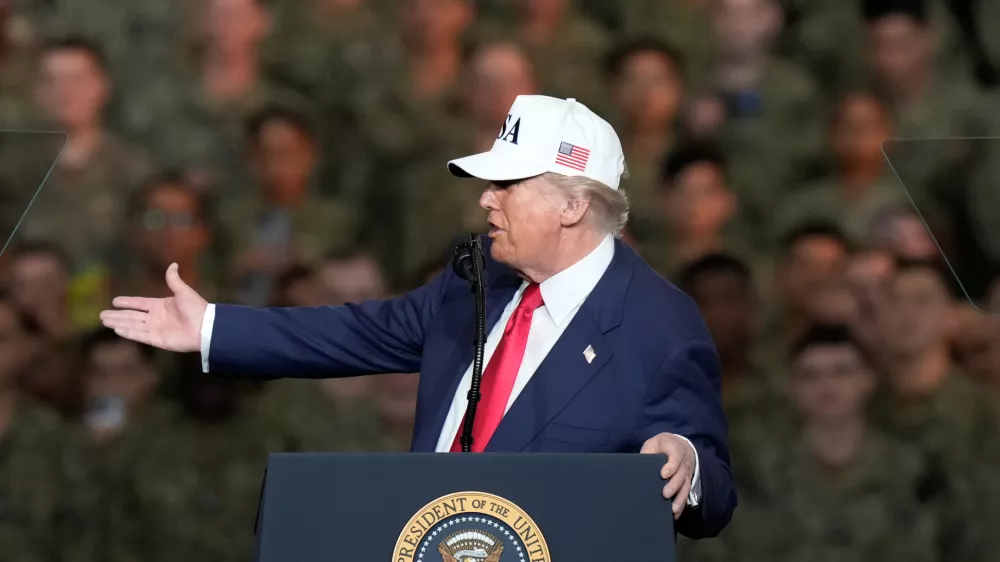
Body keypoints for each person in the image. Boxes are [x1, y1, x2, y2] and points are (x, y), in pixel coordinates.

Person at [101, 94, 736, 537]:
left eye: (507, 185)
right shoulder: (476, 281)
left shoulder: (660, 325)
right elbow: (359, 332)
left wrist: (686, 461)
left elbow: (712, 492)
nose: (486, 200)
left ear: (571, 207)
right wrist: (213, 327)